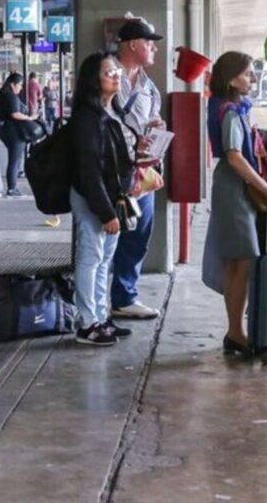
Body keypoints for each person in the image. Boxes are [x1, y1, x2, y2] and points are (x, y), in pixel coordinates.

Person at [202, 51, 267, 355]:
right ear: (230, 78)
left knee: (240, 260)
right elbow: (235, 156)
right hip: (233, 188)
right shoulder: (229, 111)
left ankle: (236, 331)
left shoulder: (228, 107)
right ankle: (236, 332)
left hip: (233, 186)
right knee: (241, 258)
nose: (252, 79)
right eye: (248, 73)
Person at [68, 52, 136, 347]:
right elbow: (88, 170)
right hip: (93, 197)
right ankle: (87, 323)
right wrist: (106, 212)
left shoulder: (113, 112)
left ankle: (101, 315)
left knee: (104, 259)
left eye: (117, 72)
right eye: (109, 72)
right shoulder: (87, 117)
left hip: (112, 195)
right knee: (90, 258)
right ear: (92, 80)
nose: (116, 76)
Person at [110, 17, 164, 320]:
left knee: (139, 232)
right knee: (105, 236)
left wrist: (156, 128)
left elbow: (151, 118)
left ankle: (124, 296)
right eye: (149, 44)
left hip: (141, 170)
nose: (154, 50)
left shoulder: (149, 87)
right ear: (133, 45)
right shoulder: (105, 74)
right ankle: (92, 305)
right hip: (111, 170)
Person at [0, 72, 36, 195]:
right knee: (15, 159)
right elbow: (15, 114)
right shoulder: (10, 96)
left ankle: (12, 186)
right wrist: (30, 118)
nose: (21, 88)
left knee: (15, 158)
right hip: (14, 132)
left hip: (6, 130)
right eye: (19, 85)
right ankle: (12, 187)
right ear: (13, 84)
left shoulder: (1, 95)